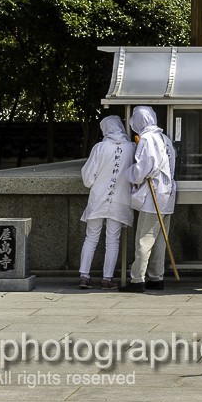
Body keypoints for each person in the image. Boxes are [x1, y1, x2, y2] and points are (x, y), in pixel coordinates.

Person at [77, 114, 134, 289]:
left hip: (98, 199)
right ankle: (107, 279)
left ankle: (84, 276)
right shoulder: (131, 147)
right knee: (113, 240)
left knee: (91, 238)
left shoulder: (100, 147)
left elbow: (87, 178)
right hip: (120, 201)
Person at [125, 105, 177, 291]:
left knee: (144, 239)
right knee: (160, 239)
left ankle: (137, 279)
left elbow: (145, 167)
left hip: (153, 194)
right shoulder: (164, 138)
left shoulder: (147, 138)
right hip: (168, 193)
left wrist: (129, 174)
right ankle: (156, 278)